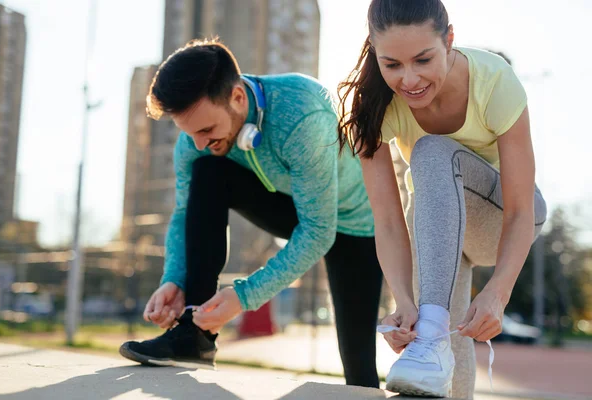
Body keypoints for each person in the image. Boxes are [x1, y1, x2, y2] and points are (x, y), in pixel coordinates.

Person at [118, 39, 384, 389]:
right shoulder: (195, 142)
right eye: (189, 132)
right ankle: (193, 334)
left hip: (354, 225)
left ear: (238, 98)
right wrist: (175, 279)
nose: (198, 143)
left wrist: (244, 296)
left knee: (358, 368)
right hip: (285, 204)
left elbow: (319, 231)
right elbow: (184, 214)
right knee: (207, 171)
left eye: (206, 130)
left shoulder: (302, 114)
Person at [337, 0, 547, 397]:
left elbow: (520, 211)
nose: (410, 79)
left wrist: (497, 292)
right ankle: (434, 345)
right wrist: (403, 300)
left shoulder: (494, 81)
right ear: (374, 52)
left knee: (432, 151)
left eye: (423, 59)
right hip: (438, 233)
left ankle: (431, 333)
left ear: (449, 40)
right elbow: (387, 220)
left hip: (506, 220)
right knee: (439, 345)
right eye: (392, 65)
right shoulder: (371, 108)